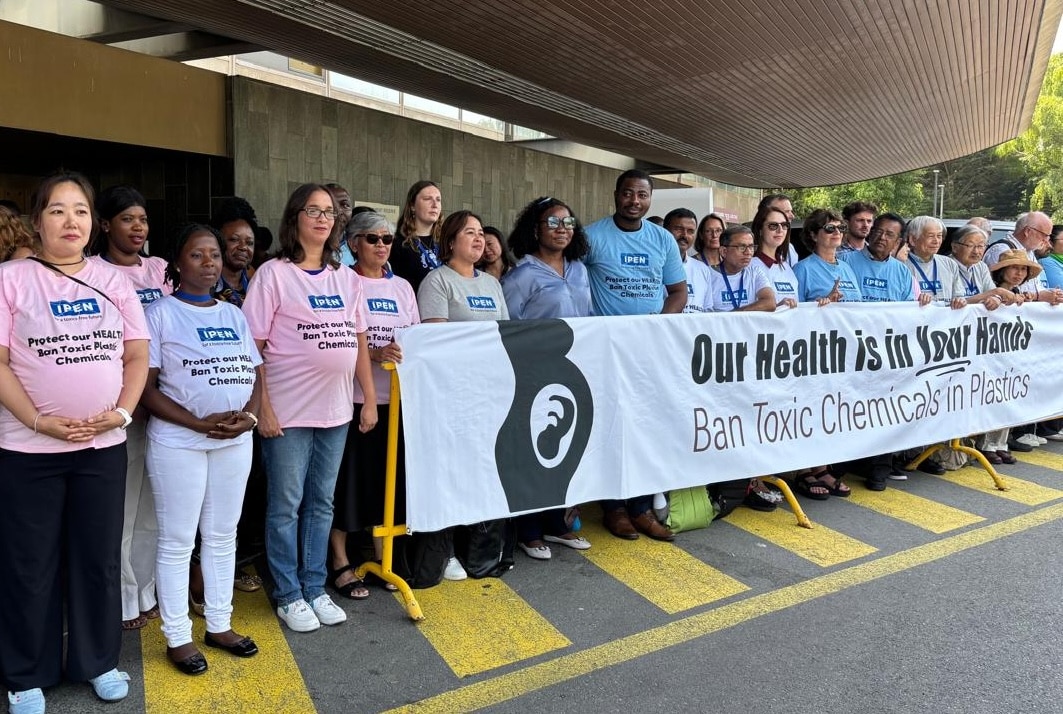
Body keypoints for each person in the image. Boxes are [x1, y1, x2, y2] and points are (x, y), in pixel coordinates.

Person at [0, 172, 149, 712]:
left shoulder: (115, 282)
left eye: (81, 210)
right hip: (26, 449)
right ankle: (25, 672)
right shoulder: (11, 280)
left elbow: (136, 356)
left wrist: (120, 414)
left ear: (93, 220)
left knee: (97, 559)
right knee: (28, 562)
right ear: (37, 221)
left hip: (100, 449)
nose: (71, 221)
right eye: (58, 210)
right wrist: (39, 422)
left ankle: (97, 661)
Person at [242, 183, 377, 633]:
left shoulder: (347, 278)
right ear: (294, 218)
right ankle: (287, 593)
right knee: (286, 505)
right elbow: (252, 346)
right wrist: (263, 407)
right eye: (312, 210)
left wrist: (368, 400)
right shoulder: (273, 274)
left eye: (330, 212)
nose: (322, 218)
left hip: (336, 411)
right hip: (288, 413)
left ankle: (315, 585)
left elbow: (357, 342)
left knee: (321, 503)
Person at [140, 224, 262, 675]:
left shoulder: (232, 314)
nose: (209, 263)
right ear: (177, 262)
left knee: (222, 535)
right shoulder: (159, 314)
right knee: (176, 541)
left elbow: (256, 374)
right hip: (179, 444)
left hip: (234, 441)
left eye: (214, 255)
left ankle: (219, 624)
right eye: (198, 255)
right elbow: (145, 389)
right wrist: (195, 422)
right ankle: (177, 636)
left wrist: (248, 417)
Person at [583, 169, 685, 542]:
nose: (634, 202)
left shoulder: (662, 240)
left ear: (649, 199)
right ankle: (614, 509)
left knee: (647, 429)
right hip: (606, 352)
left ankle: (641, 508)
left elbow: (678, 291)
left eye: (642, 195)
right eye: (628, 194)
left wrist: (655, 328)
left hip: (649, 352)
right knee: (610, 429)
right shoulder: (592, 237)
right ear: (616, 195)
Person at [329, 211, 419, 596]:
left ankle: (384, 559)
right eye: (372, 239)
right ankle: (340, 562)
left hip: (394, 403)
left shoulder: (403, 288)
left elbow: (415, 341)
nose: (381, 246)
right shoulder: (344, 283)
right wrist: (373, 353)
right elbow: (335, 342)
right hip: (351, 400)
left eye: (386, 239)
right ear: (353, 244)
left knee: (388, 485)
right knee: (347, 485)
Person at [92, 185, 169, 631]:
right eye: (127, 219)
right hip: (121, 410)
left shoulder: (160, 270)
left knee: (154, 508)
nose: (138, 227)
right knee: (122, 507)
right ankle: (121, 596)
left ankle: (146, 588)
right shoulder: (94, 272)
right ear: (105, 225)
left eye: (142, 219)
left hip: (164, 407)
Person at [418, 210, 509, 578]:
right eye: (469, 232)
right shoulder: (437, 282)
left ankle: (479, 547)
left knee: (482, 470)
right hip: (453, 395)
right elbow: (435, 341)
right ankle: (447, 550)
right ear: (450, 240)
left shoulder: (492, 283)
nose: (478, 239)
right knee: (451, 472)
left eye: (480, 233)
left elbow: (506, 335)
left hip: (490, 394)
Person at [502, 197, 593, 559]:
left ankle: (557, 523)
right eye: (552, 222)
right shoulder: (522, 274)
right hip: (533, 374)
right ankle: (529, 529)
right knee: (531, 451)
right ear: (535, 229)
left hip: (574, 370)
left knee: (565, 446)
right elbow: (506, 327)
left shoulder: (580, 270)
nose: (561, 229)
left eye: (568, 222)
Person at [838, 212, 918, 303]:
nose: (882, 237)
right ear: (871, 233)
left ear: (897, 242)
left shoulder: (902, 271)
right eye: (879, 232)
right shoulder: (844, 262)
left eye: (889, 234)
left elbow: (908, 307)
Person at [793, 209, 863, 304]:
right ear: (813, 235)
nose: (837, 232)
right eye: (830, 228)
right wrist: (823, 302)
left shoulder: (846, 268)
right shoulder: (802, 269)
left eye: (841, 228)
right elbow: (795, 312)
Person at [664, 208, 720, 313]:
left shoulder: (702, 269)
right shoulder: (654, 265)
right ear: (665, 231)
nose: (685, 235)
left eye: (690, 231)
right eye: (679, 229)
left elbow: (707, 309)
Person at [391, 181, 443, 293]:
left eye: (438, 200)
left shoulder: (447, 243)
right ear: (412, 206)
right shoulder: (398, 244)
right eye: (427, 199)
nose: (434, 204)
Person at [903, 216, 964, 307]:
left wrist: (960, 301)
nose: (936, 241)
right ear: (913, 239)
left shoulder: (949, 264)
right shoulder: (901, 265)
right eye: (930, 236)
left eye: (939, 236)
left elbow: (959, 296)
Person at [210, 197, 259, 308]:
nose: (243, 247)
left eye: (249, 242)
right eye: (234, 239)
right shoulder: (206, 285)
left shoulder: (256, 282)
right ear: (217, 240)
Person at [713, 226, 776, 312]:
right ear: (724, 251)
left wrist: (735, 315)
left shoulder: (755, 272)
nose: (748, 252)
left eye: (751, 247)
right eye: (742, 247)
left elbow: (770, 302)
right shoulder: (708, 275)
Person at [751, 205, 798, 308]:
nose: (780, 230)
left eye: (784, 225)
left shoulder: (786, 267)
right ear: (760, 230)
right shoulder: (750, 266)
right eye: (773, 225)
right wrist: (777, 307)